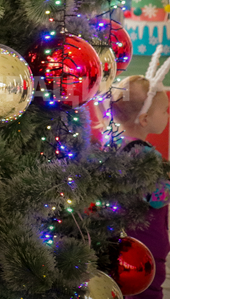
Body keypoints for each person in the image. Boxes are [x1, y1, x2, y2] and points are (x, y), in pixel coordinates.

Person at [107, 48, 170, 299]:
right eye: (164, 110)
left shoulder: (113, 144)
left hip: (119, 244)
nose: (168, 115)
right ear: (145, 119)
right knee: (147, 290)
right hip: (145, 246)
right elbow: (158, 197)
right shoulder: (145, 155)